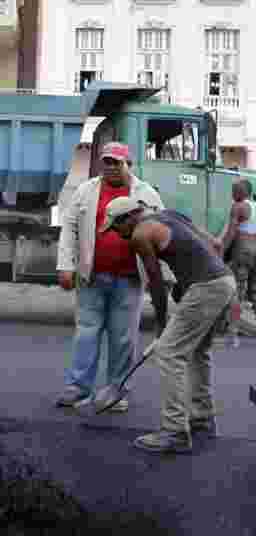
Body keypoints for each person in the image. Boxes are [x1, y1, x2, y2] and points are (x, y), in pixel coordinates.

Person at [99, 197, 235, 453]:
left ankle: (174, 431)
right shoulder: (170, 214)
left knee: (170, 353)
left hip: (205, 288)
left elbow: (156, 283)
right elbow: (212, 245)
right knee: (197, 352)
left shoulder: (140, 234)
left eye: (116, 228)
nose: (118, 234)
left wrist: (161, 325)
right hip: (224, 281)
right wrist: (186, 284)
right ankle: (202, 420)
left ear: (128, 218)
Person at [55, 141, 164, 413]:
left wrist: (163, 279)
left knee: (123, 337)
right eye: (107, 162)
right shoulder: (85, 190)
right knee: (86, 333)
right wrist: (65, 266)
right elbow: (69, 228)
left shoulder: (147, 194)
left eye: (117, 162)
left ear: (129, 164)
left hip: (128, 279)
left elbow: (160, 233)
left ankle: (116, 390)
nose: (111, 167)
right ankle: (78, 387)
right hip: (92, 277)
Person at [219, 178, 256, 321]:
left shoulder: (238, 206)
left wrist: (222, 251)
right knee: (254, 287)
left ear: (242, 192)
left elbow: (231, 232)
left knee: (238, 285)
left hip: (243, 250)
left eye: (234, 191)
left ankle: (234, 321)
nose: (232, 194)